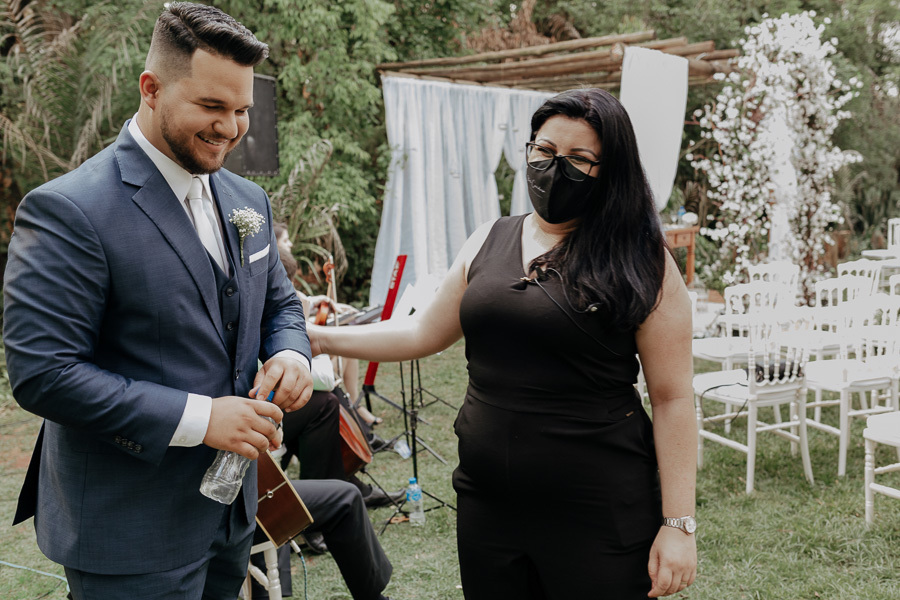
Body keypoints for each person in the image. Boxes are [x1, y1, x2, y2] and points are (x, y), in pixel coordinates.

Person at [311, 88, 698, 599]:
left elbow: (672, 398)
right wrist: (317, 336)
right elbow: (421, 332)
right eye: (545, 151)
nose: (556, 167)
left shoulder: (641, 259)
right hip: (487, 503)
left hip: (597, 508)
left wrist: (678, 524)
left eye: (580, 159)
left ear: (612, 170)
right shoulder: (489, 237)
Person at [3, 4, 313, 599]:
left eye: (242, 109)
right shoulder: (70, 210)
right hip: (128, 532)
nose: (231, 127)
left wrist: (291, 358)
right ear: (152, 88)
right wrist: (201, 419)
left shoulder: (248, 198)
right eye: (212, 107)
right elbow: (44, 374)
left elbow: (281, 306)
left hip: (230, 519)